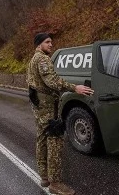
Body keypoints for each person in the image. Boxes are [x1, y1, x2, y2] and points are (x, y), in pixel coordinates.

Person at [27, 32, 94, 195]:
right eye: (47, 42)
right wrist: (74, 87)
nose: (51, 44)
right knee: (55, 139)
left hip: (38, 103)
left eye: (51, 42)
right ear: (39, 44)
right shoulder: (42, 58)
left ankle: (44, 176)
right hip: (47, 105)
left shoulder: (33, 59)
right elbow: (52, 81)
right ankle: (55, 182)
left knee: (41, 137)